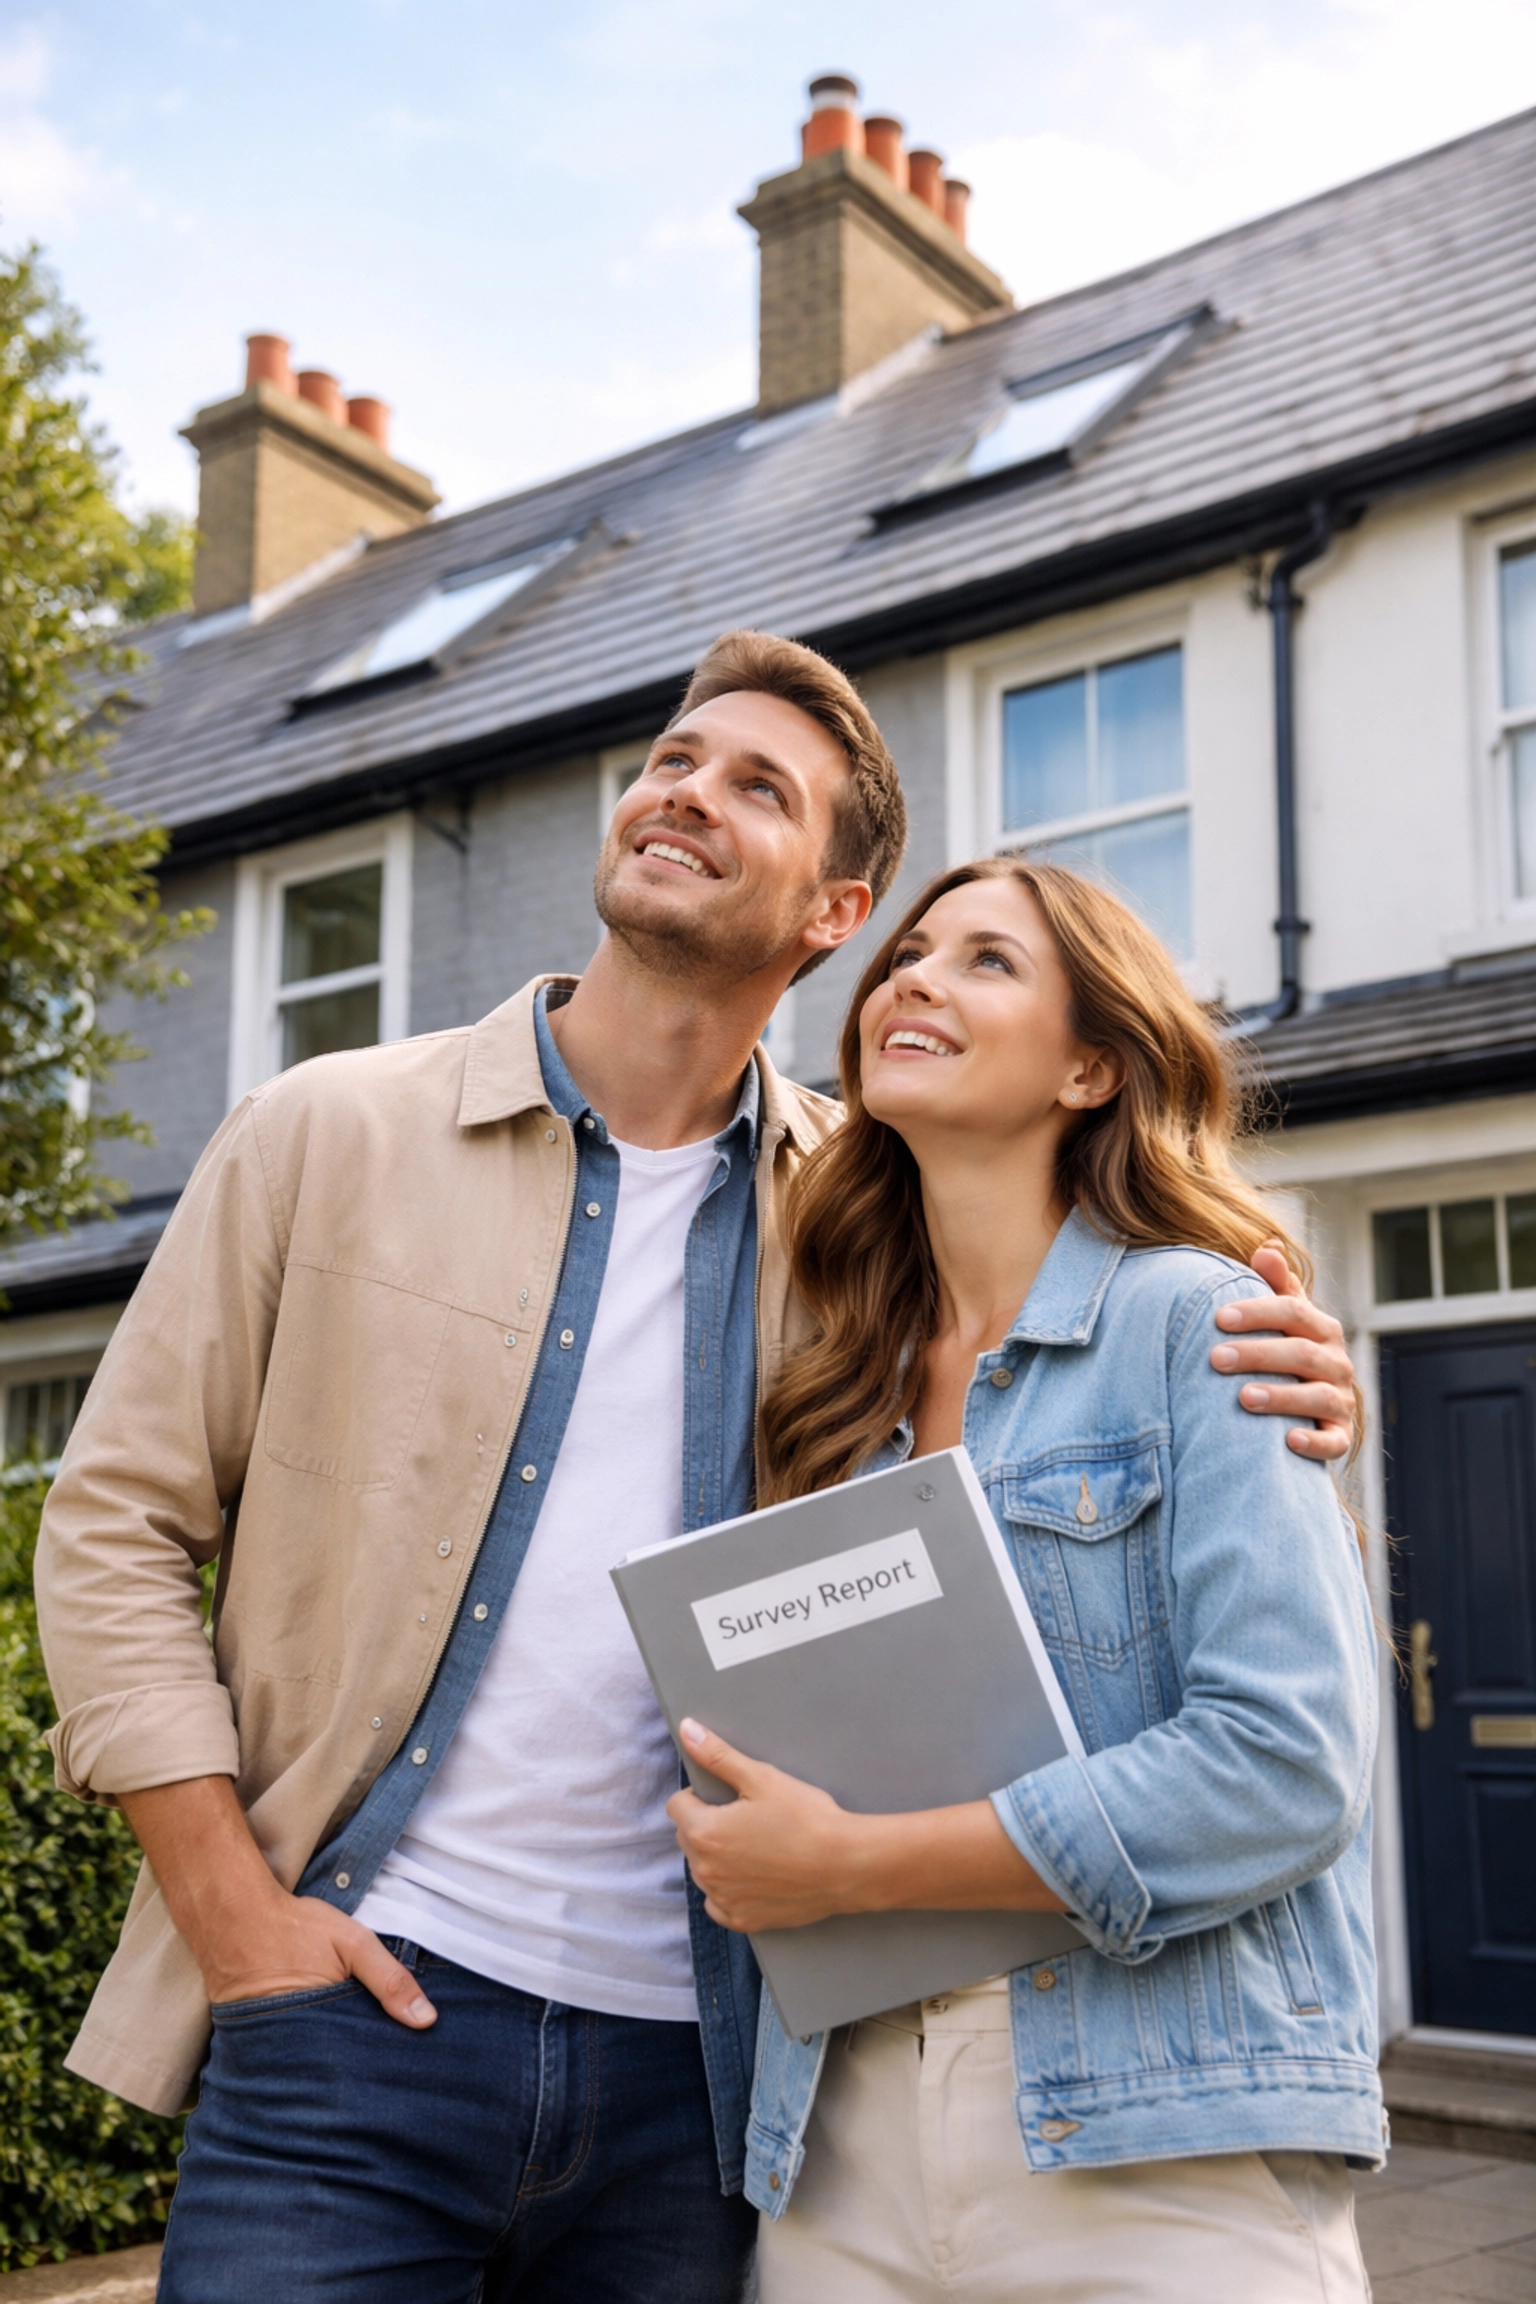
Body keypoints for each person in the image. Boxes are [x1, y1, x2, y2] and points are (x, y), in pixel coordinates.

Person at [36, 639, 1360, 2304]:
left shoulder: (860, 1225)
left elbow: (1065, 1357)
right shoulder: (326, 1131)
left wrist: (1286, 1360)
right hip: (355, 2027)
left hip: (711, 2082)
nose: (686, 792)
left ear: (831, 913)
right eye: (675, 756)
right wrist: (237, 1920)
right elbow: (113, 1529)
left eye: (759, 787)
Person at [669, 857, 1383, 2304]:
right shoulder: (826, 1394)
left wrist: (850, 1869)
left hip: (1160, 2133)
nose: (913, 976)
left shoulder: (1202, 1322)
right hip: (838, 2138)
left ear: (1093, 1067)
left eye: (987, 961)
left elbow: (1287, 1763)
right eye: (910, 952)